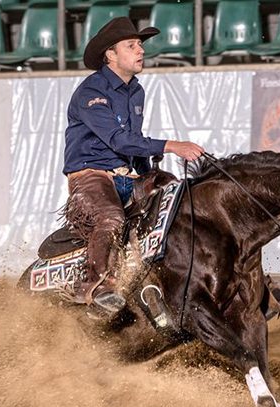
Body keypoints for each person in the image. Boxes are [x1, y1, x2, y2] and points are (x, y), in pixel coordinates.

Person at [63, 17, 205, 318]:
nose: (140, 50)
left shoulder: (135, 90)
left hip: (127, 175)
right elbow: (118, 140)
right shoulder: (91, 92)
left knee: (180, 198)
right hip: (91, 175)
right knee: (111, 217)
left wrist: (149, 171)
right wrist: (170, 145)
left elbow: (133, 142)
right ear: (110, 55)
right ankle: (92, 287)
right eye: (131, 45)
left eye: (140, 45)